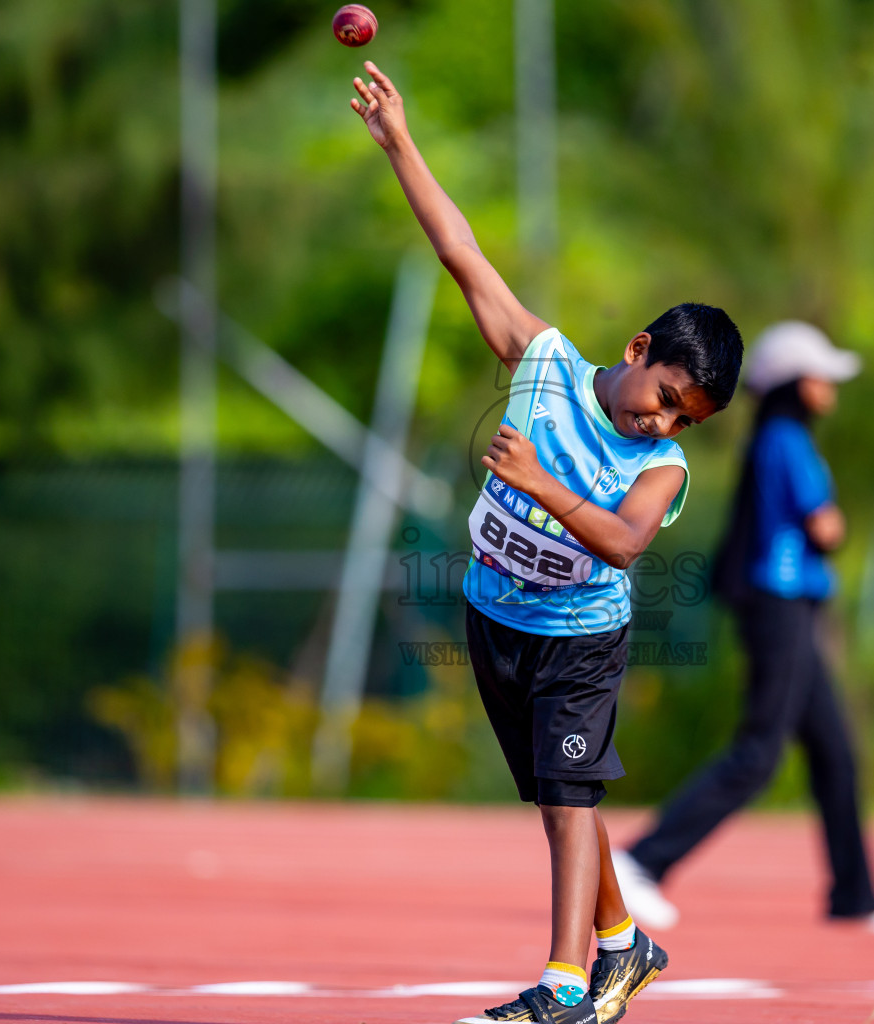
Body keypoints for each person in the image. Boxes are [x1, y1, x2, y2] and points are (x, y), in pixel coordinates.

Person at [348, 62, 745, 1024]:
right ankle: (624, 942)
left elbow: (621, 543)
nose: (663, 428)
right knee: (561, 802)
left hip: (580, 637)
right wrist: (402, 142)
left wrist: (540, 483)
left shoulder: (665, 473)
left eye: (685, 423)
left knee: (570, 802)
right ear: (640, 350)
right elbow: (462, 254)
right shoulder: (544, 363)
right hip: (493, 616)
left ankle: (565, 989)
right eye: (664, 403)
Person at [611, 321, 874, 938]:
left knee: (834, 752)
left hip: (784, 605)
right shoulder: (789, 442)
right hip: (782, 603)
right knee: (760, 750)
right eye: (820, 376)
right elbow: (824, 526)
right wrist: (834, 526)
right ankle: (639, 862)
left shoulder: (770, 439)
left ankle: (854, 894)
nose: (829, 387)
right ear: (794, 385)